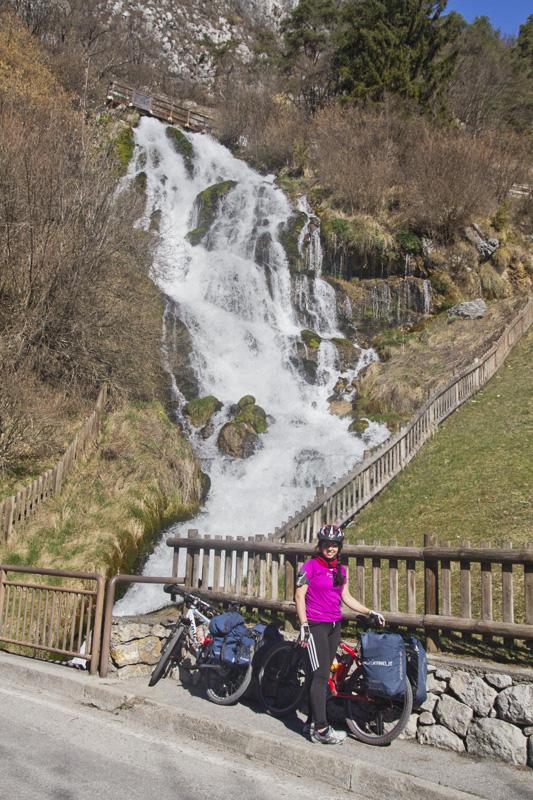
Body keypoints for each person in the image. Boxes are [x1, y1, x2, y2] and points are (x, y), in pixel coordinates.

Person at [295, 523, 385, 745]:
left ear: (339, 547)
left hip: (334, 626)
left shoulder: (340, 570)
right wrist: (304, 625)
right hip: (315, 625)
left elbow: (346, 597)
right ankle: (322, 729)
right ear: (320, 545)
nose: (330, 548)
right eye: (326, 544)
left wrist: (369, 611)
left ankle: (310, 724)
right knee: (320, 676)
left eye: (334, 545)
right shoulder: (310, 566)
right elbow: (299, 596)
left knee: (324, 674)